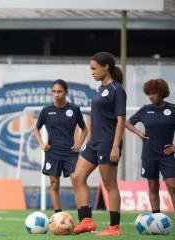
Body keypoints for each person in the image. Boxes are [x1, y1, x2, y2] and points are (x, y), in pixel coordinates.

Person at [71, 52, 127, 236]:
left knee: (109, 184)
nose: (92, 72)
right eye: (91, 69)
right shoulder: (99, 89)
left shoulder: (117, 90)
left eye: (94, 68)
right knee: (77, 177)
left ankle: (114, 227)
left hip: (108, 143)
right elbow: (96, 117)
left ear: (106, 67)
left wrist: (115, 146)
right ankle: (86, 221)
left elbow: (120, 121)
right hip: (94, 143)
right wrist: (88, 140)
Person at [125, 78, 175, 232]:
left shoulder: (174, 110)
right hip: (148, 155)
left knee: (172, 186)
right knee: (152, 187)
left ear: (162, 93)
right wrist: (139, 133)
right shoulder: (145, 109)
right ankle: (156, 220)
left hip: (166, 155)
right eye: (149, 93)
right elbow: (128, 123)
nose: (151, 96)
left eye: (153, 93)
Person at [34, 79, 88, 221]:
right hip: (52, 153)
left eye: (59, 91)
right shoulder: (46, 111)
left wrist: (80, 145)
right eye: (54, 91)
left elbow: (85, 129)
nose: (56, 94)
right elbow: (36, 129)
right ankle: (58, 218)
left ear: (66, 92)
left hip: (71, 153)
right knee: (54, 184)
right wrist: (42, 144)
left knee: (77, 183)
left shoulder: (74, 109)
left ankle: (83, 219)